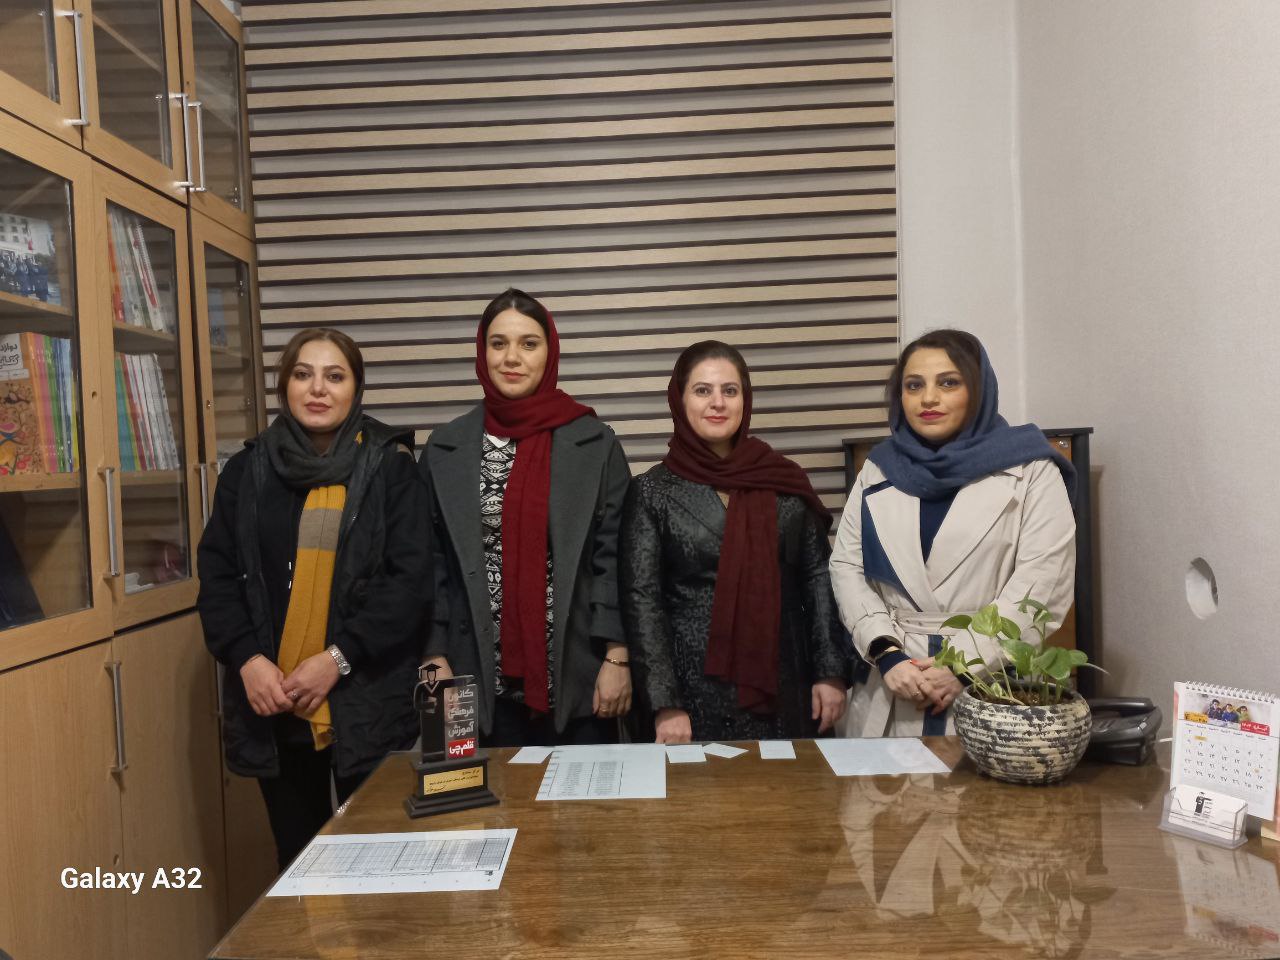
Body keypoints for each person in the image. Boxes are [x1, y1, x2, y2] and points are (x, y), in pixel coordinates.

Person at [198, 328, 430, 869]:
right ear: (284, 386)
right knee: (298, 865)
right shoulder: (247, 471)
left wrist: (337, 659)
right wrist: (247, 660)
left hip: (365, 698)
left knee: (377, 864)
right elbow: (218, 576)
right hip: (274, 700)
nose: (318, 388)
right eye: (303, 374)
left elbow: (409, 582)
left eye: (334, 376)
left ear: (356, 389)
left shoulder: (390, 466)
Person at [830, 328, 1076, 737]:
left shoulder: (1032, 469)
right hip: (892, 682)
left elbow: (1042, 583)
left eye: (948, 383)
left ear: (978, 390)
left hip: (990, 686)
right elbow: (846, 567)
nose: (928, 398)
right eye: (914, 385)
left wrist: (963, 665)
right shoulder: (879, 467)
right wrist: (886, 653)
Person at [419, 288, 631, 747]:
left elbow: (614, 560)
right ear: (482, 352)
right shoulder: (444, 448)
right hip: (470, 676)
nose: (511, 358)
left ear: (550, 353)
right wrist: (433, 652)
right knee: (485, 796)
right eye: (498, 343)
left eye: (528, 344)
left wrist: (617, 656)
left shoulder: (596, 444)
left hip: (579, 677)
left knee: (585, 795)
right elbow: (430, 563)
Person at [620, 340, 849, 743]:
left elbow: (817, 579)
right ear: (679, 399)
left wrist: (829, 672)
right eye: (702, 390)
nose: (718, 403)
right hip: (692, 693)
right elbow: (643, 601)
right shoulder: (652, 491)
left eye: (730, 390)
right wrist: (664, 703)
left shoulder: (784, 481)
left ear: (746, 398)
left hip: (785, 685)